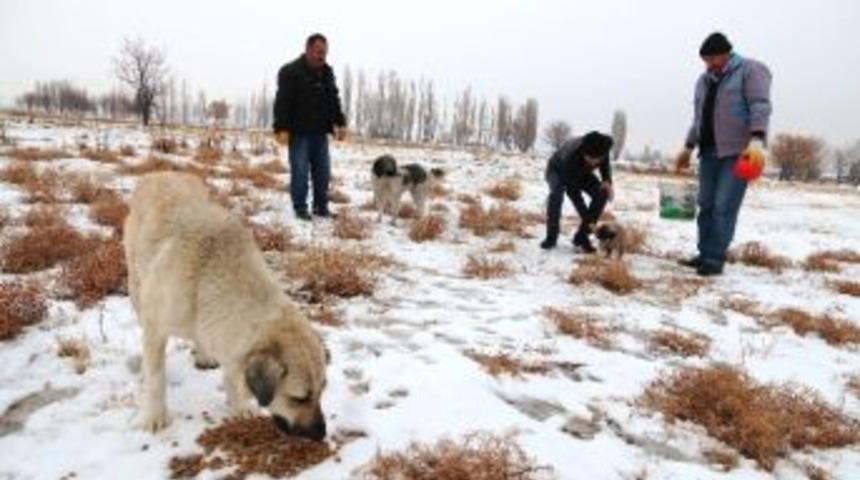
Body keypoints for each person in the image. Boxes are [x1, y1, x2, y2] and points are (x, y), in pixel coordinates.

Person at [675, 32, 773, 276]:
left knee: (724, 205)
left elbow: (760, 105)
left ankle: (715, 257)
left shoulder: (750, 70)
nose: (708, 65)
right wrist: (688, 146)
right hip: (708, 151)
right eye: (705, 61)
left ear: (726, 53)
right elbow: (699, 117)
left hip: (738, 151)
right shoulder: (704, 80)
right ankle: (703, 253)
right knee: (705, 204)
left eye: (712, 59)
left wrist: (757, 139)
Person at [273, 33, 347, 221]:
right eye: (318, 52)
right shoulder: (290, 71)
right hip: (299, 133)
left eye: (325, 52)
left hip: (320, 132)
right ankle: (300, 208)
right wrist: (281, 127)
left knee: (323, 173)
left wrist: (340, 122)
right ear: (307, 49)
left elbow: (333, 99)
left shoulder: (327, 73)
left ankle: (321, 206)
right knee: (300, 172)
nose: (322, 56)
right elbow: (282, 102)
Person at [540, 131, 615, 252]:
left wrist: (607, 181)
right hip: (558, 170)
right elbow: (574, 193)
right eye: (590, 159)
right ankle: (551, 237)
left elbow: (605, 166)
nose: (593, 163)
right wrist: (588, 219)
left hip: (582, 172)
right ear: (583, 152)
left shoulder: (603, 149)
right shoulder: (571, 154)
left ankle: (581, 237)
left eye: (596, 160)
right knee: (557, 193)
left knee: (602, 193)